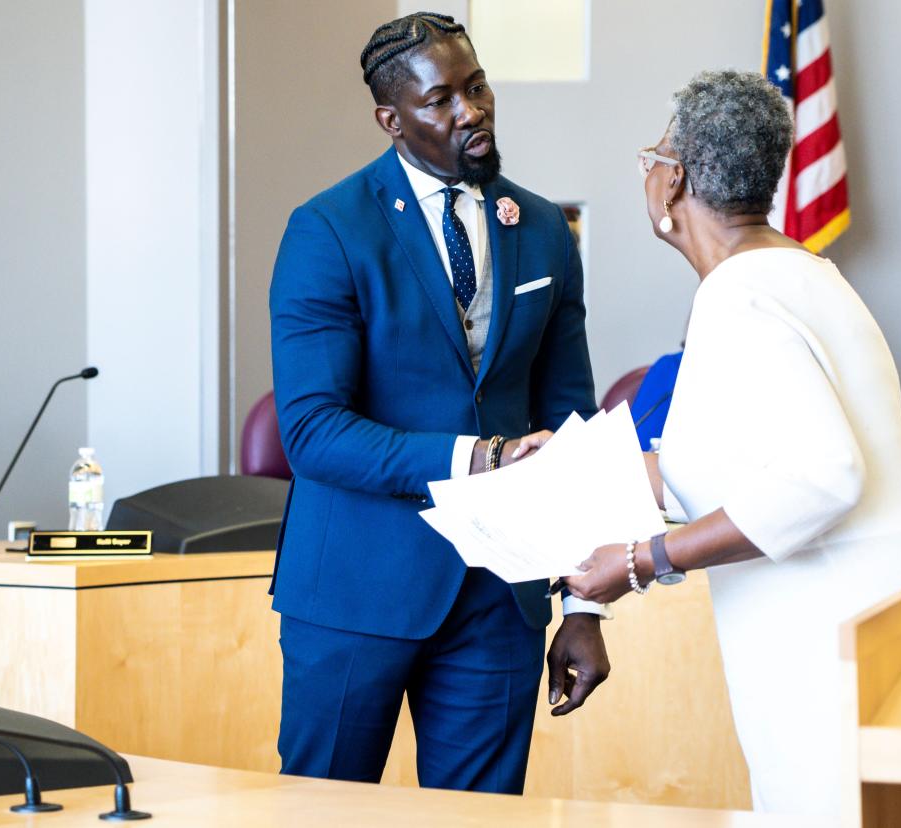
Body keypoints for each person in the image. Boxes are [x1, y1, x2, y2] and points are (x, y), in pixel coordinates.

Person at [523, 69, 901, 815]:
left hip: (845, 639)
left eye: (653, 158)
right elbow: (716, 465)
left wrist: (641, 561)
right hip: (897, 617)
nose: (650, 172)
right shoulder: (800, 274)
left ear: (674, 184)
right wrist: (570, 466)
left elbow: (823, 477)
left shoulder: (739, 296)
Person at [268, 12, 609, 795]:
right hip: (356, 589)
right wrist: (479, 458)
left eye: (478, 86)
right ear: (391, 119)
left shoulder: (546, 230)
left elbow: (569, 424)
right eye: (441, 100)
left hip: (500, 600)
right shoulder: (328, 230)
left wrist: (587, 605)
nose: (472, 111)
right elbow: (314, 432)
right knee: (322, 814)